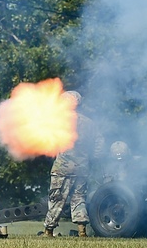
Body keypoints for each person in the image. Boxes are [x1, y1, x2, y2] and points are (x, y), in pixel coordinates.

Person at [43, 91, 104, 237]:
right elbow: (99, 142)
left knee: (56, 198)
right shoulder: (90, 123)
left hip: (62, 168)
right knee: (79, 198)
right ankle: (82, 231)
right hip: (82, 167)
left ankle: (49, 230)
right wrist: (92, 158)